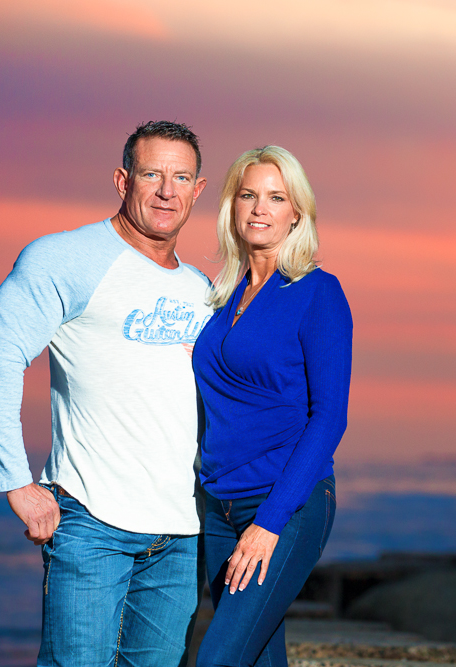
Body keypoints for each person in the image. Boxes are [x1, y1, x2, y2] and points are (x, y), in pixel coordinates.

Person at [0, 121, 212, 667]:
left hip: (178, 534)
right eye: (152, 174)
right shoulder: (65, 259)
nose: (166, 191)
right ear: (122, 180)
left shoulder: (200, 290)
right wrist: (15, 483)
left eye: (181, 177)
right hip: (91, 524)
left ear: (199, 191)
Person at [191, 146, 352, 667]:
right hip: (219, 506)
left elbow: (329, 417)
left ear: (295, 213)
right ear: (232, 207)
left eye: (275, 197)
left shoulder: (317, 293)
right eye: (248, 195)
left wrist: (271, 521)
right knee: (260, 657)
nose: (260, 208)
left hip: (285, 505)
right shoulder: (221, 299)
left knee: (218, 658)